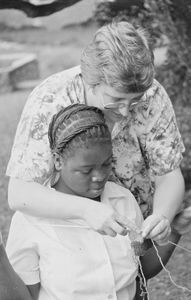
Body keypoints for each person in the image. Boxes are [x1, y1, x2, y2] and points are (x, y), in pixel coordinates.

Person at [7, 22, 185, 253]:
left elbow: (169, 174)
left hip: (132, 232)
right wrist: (85, 210)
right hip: (67, 239)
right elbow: (20, 193)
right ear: (91, 82)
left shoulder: (152, 95)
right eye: (115, 100)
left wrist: (161, 216)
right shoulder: (52, 99)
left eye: (135, 100)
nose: (125, 111)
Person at [5, 104, 145, 300]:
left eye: (106, 164)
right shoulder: (29, 220)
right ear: (58, 161)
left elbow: (142, 272)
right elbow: (24, 296)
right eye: (86, 170)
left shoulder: (122, 200)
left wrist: (175, 230)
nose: (99, 176)